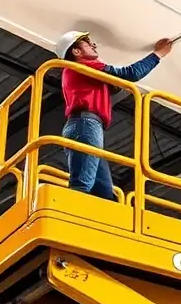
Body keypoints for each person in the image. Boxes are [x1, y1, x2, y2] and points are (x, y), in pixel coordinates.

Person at [54, 30, 174, 200]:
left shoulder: (81, 72)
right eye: (87, 42)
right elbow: (130, 73)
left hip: (86, 126)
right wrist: (158, 53)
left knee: (105, 194)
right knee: (82, 185)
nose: (93, 45)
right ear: (76, 52)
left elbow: (113, 84)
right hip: (86, 125)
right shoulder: (83, 65)